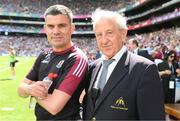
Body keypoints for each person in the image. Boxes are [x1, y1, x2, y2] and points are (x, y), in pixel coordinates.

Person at [83, 9, 165, 120]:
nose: (104, 40)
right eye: (99, 35)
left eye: (109, 33)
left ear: (123, 34)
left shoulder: (144, 69)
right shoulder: (92, 68)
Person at [17, 5, 88, 120]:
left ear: (72, 28)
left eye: (62, 26)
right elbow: (20, 89)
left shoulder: (77, 59)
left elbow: (54, 107)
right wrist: (30, 89)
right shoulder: (43, 55)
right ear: (45, 29)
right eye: (51, 26)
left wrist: (33, 92)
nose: (56, 31)